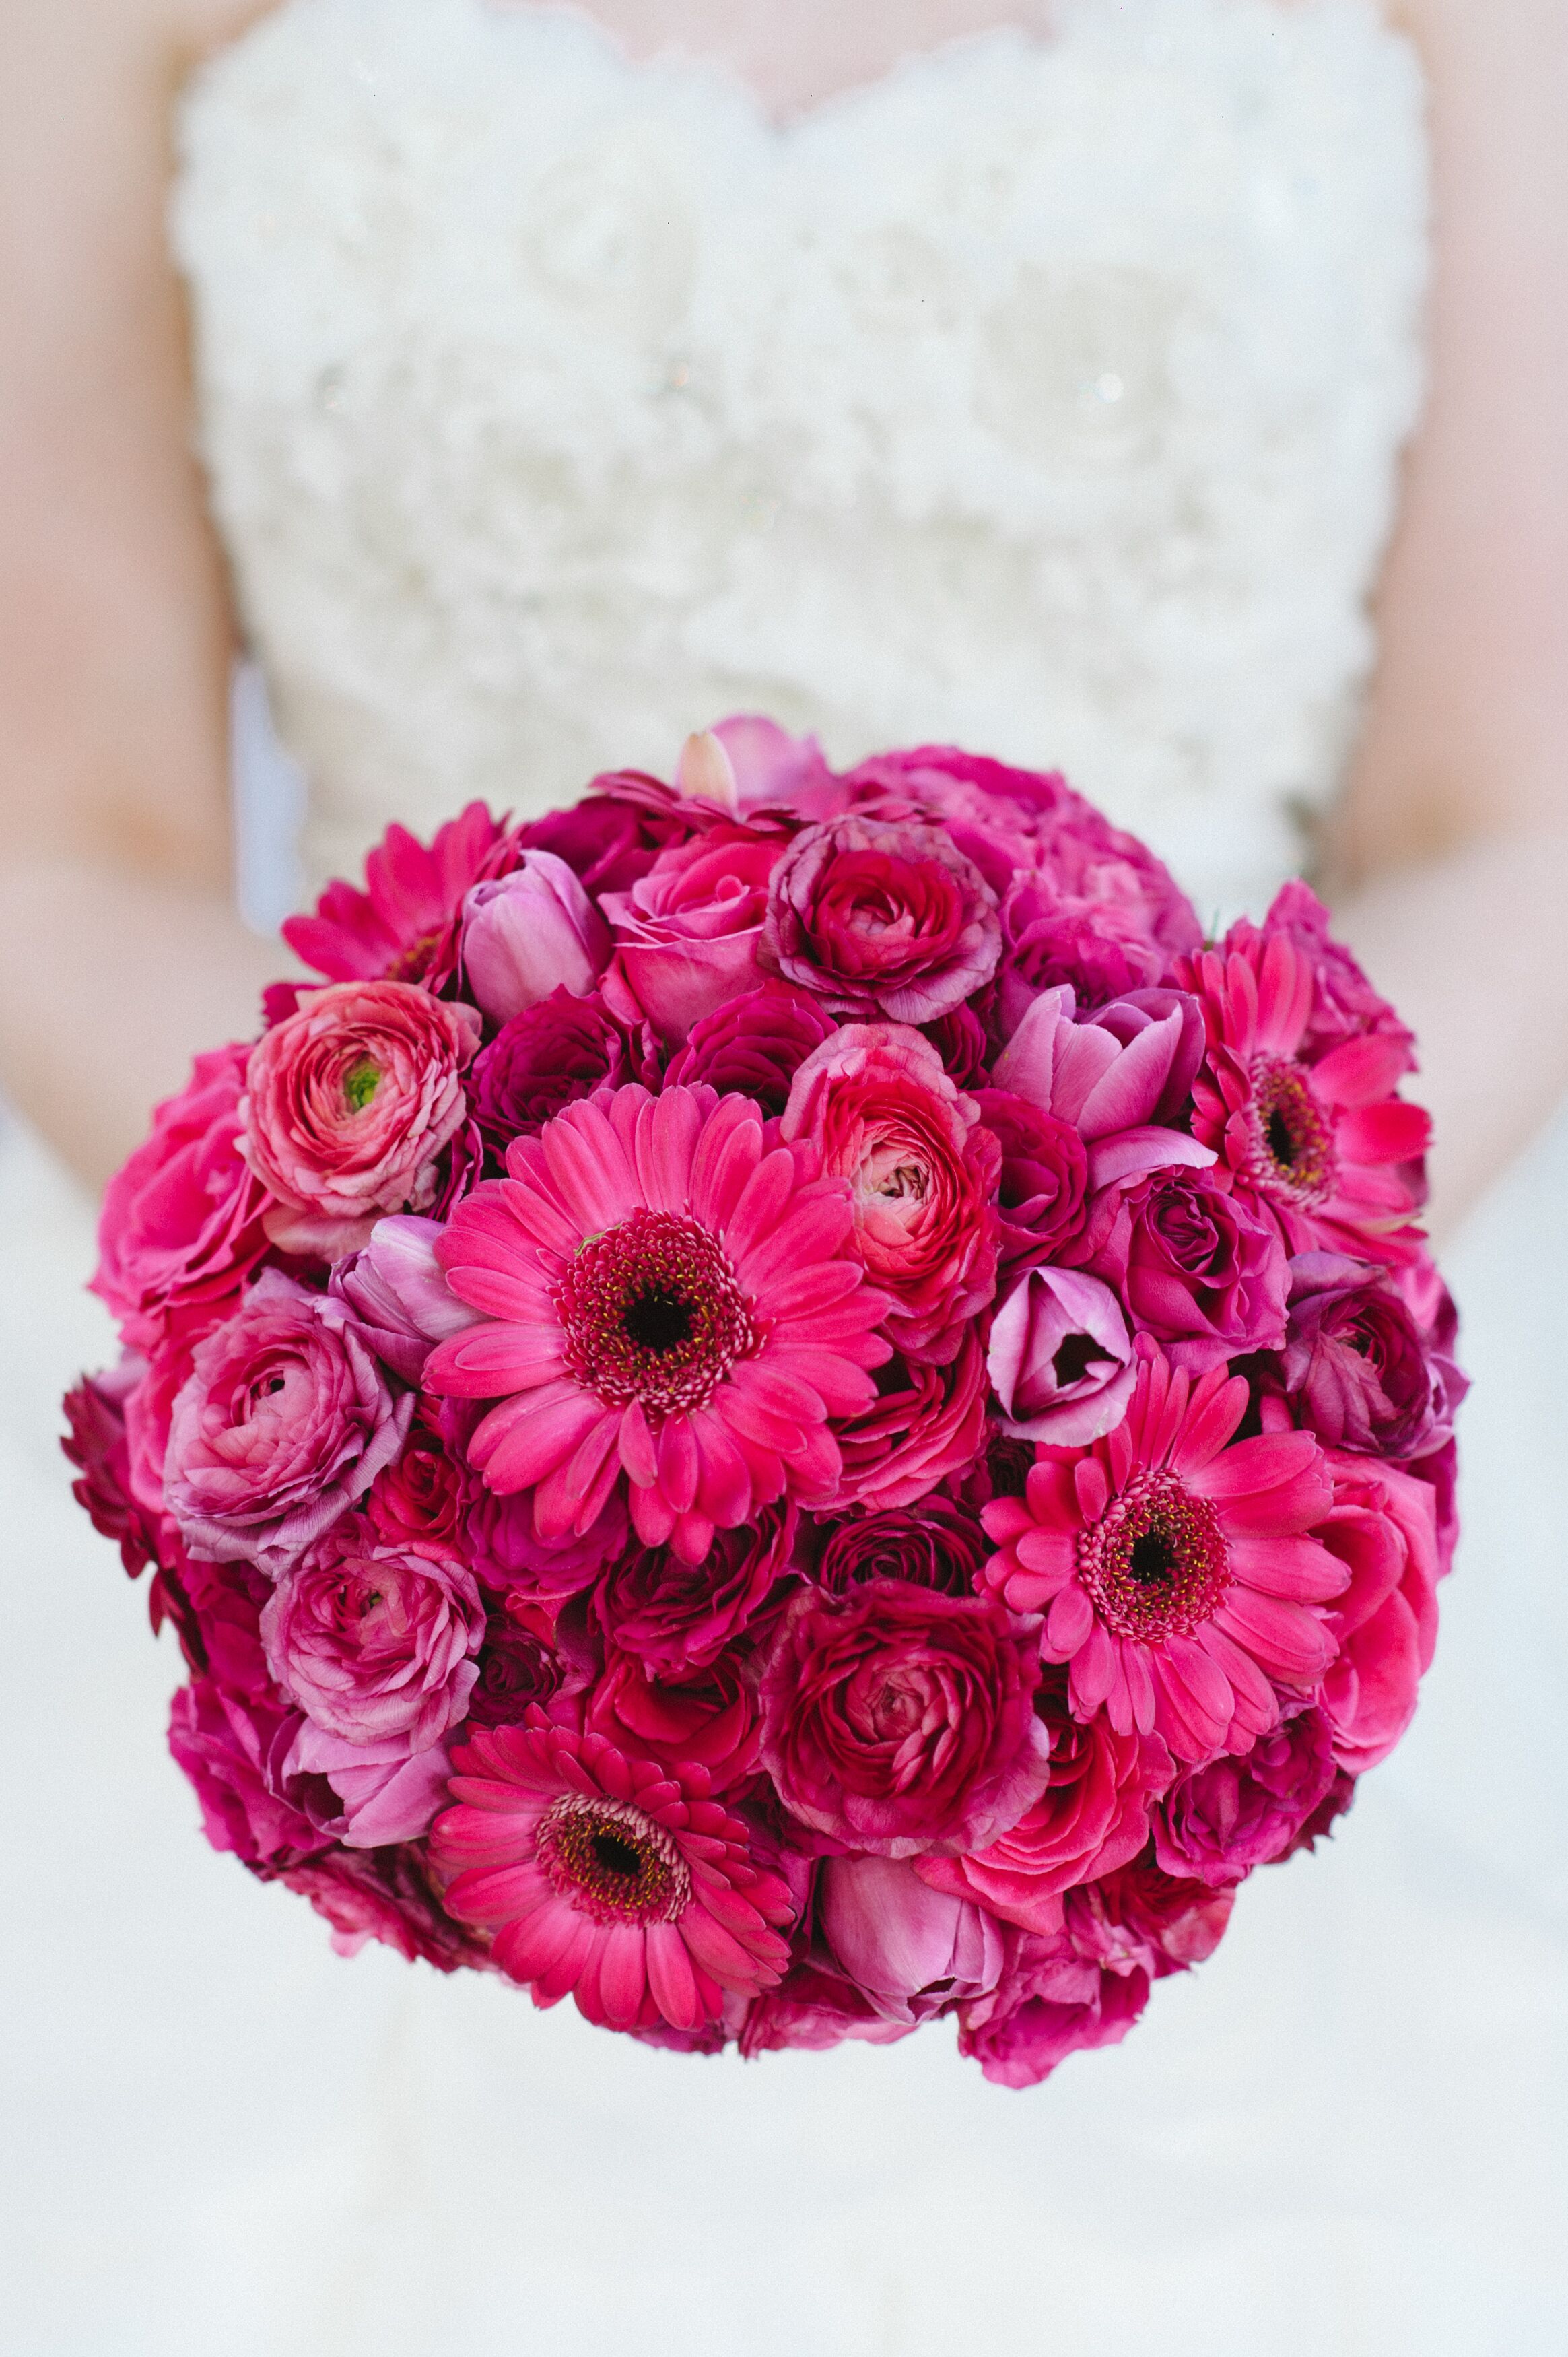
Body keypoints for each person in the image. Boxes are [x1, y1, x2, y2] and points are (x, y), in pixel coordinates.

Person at [1, 3, 1565, 2351]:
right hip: (465, 1467)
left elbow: (1505, 831)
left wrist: (1151, 1310)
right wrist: (419, 1350)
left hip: (1163, 1450)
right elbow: (64, 848)